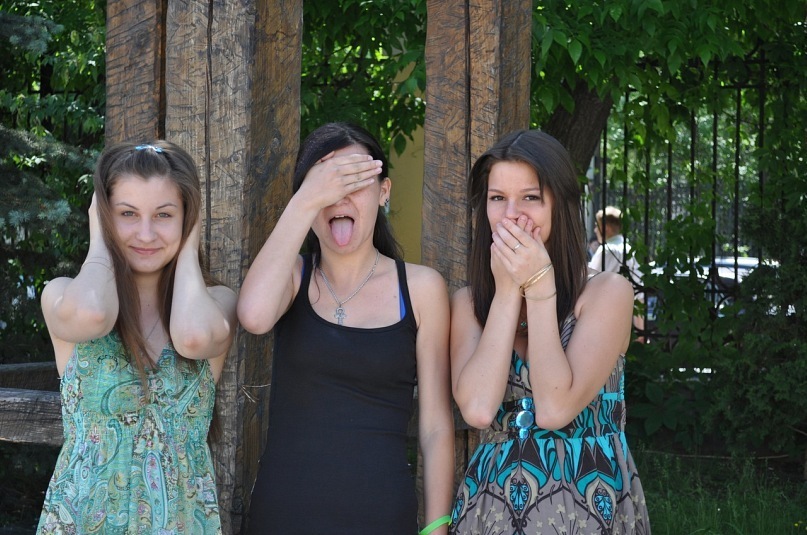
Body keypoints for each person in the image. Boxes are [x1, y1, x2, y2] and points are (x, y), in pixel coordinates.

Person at [238, 122, 454, 535]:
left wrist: (436, 529)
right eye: (326, 183)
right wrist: (306, 200)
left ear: (384, 191)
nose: (338, 197)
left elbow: (435, 427)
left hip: (381, 519)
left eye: (354, 181)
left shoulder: (422, 289)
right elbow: (254, 316)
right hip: (283, 518)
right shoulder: (293, 277)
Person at [449, 130, 650, 534]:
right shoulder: (469, 305)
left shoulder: (608, 292)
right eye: (497, 198)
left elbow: (555, 409)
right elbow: (478, 410)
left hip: (589, 510)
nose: (511, 215)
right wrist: (508, 291)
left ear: (560, 203)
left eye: (530, 197)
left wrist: (540, 285)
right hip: (491, 512)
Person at [37, 141, 237, 534]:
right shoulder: (62, 294)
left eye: (164, 215)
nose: (145, 233)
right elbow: (93, 315)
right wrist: (101, 240)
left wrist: (189, 246)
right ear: (103, 215)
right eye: (127, 214)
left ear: (188, 219)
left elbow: (194, 338)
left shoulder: (217, 303)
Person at [590, 205, 646, 340]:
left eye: (597, 226)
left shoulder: (606, 250)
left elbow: (589, 284)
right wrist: (641, 332)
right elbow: (639, 295)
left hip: (604, 323)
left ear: (605, 228)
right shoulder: (630, 250)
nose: (595, 230)